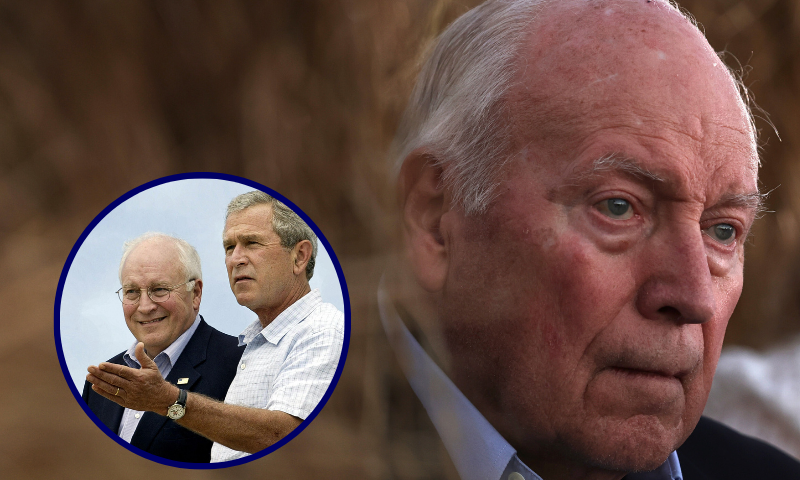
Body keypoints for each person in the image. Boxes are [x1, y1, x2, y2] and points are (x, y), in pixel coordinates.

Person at [379, 0, 800, 479]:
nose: (694, 296)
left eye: (722, 231)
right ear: (436, 219)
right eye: (618, 207)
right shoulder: (302, 452)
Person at [86, 191, 345, 463]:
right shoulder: (255, 345)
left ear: (300, 256)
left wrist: (169, 401)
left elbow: (291, 435)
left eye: (252, 243)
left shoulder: (322, 330)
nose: (236, 259)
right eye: (229, 247)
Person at [82, 233, 243, 463]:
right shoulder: (103, 380)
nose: (145, 306)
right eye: (132, 292)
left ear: (195, 293)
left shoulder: (239, 363)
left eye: (159, 289)